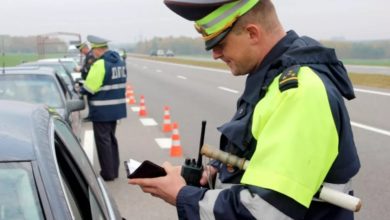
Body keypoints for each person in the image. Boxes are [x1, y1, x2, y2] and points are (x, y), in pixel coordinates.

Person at [129, 0, 361, 219]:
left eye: (220, 44)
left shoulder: (299, 93)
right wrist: (216, 172)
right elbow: (263, 160)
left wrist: (181, 195)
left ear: (252, 33)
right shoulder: (273, 77)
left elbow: (264, 212)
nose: (215, 54)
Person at [80, 35, 127, 181]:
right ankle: (114, 171)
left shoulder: (100, 64)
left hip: (102, 110)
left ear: (98, 49)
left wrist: (80, 89)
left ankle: (107, 173)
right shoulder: (120, 62)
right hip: (116, 109)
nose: (92, 53)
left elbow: (90, 87)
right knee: (111, 139)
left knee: (103, 141)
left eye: (93, 50)